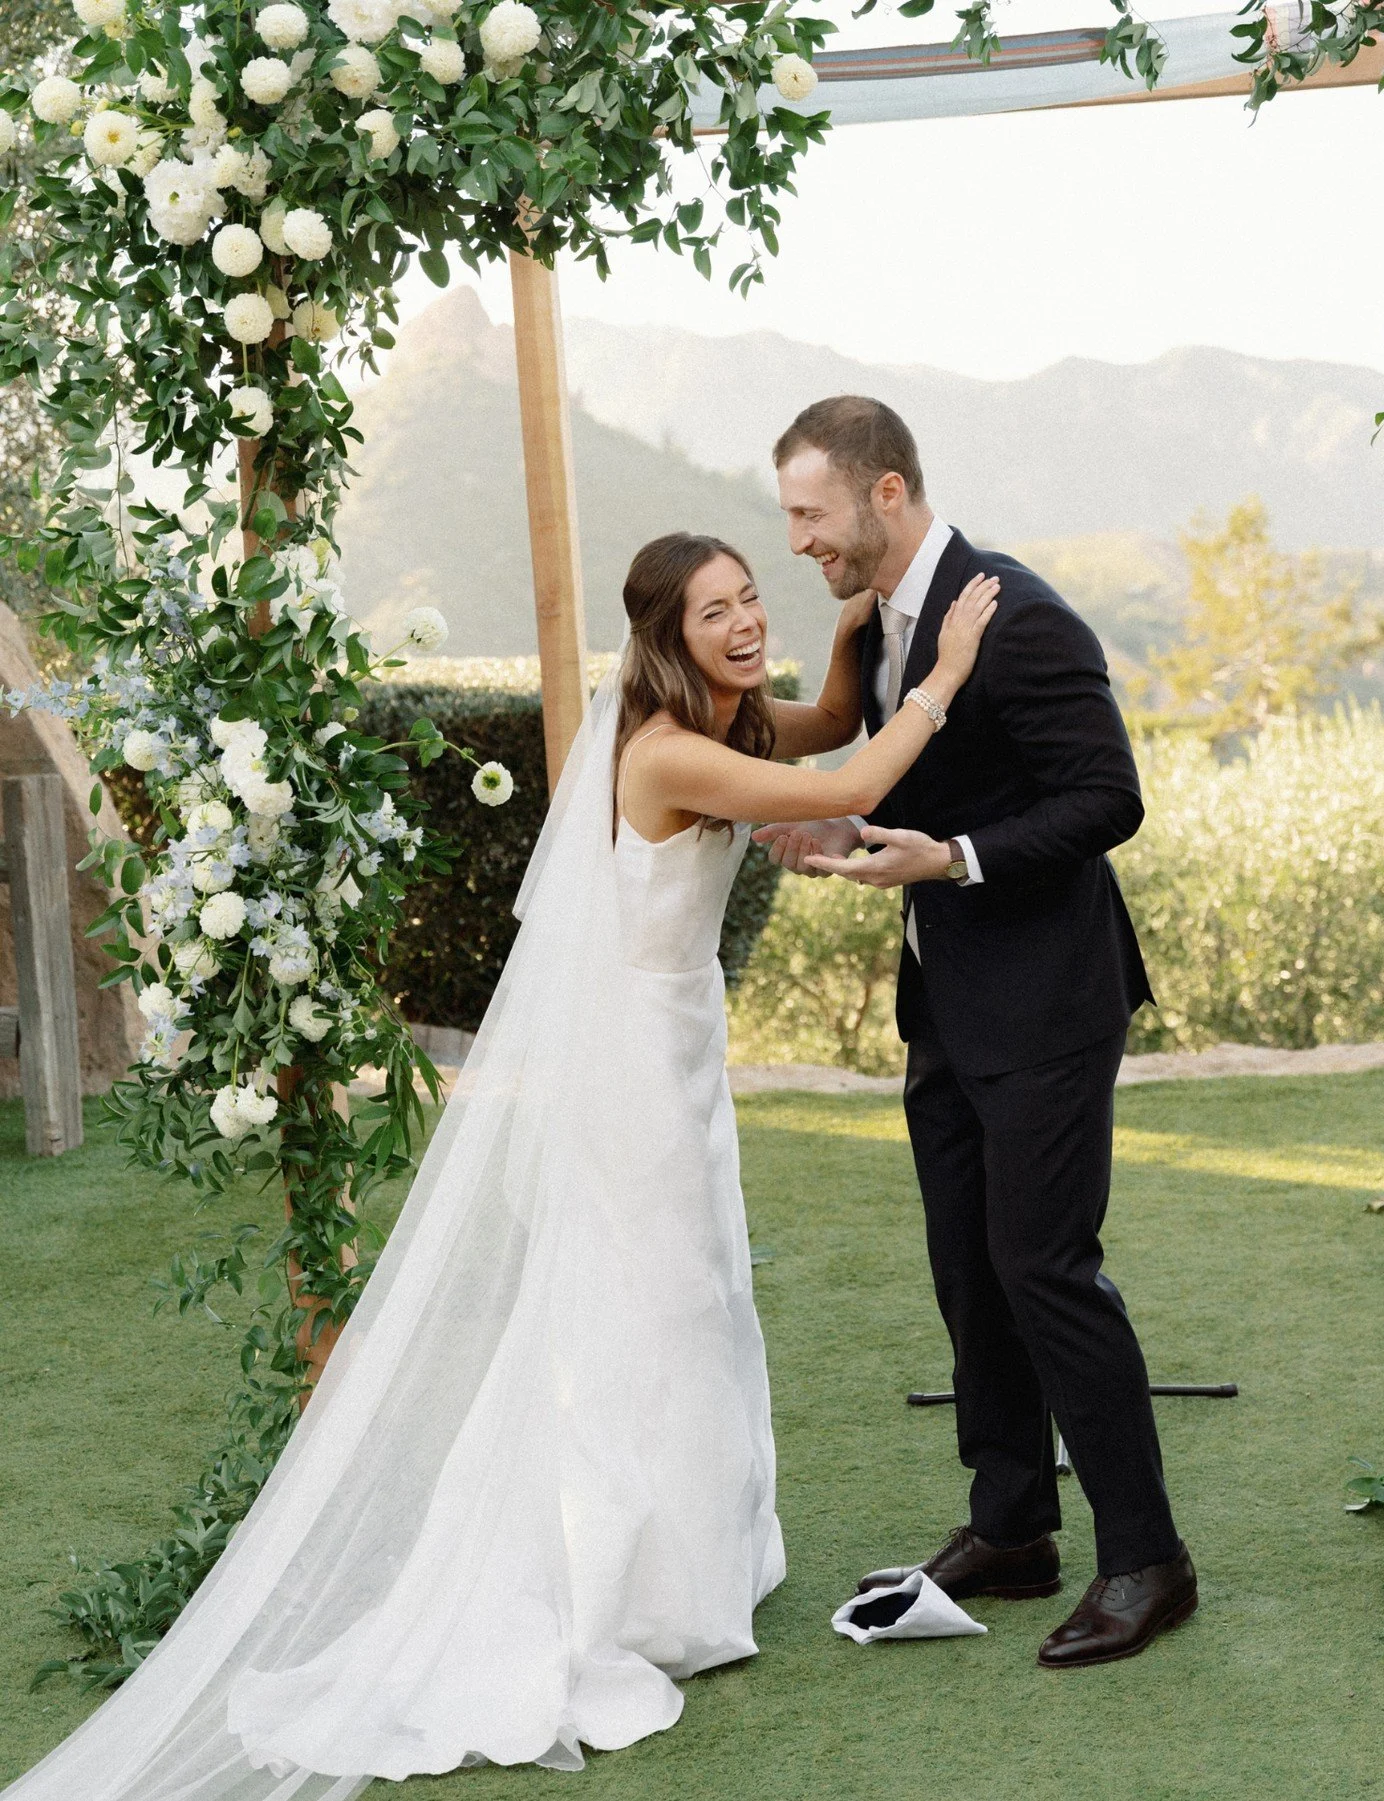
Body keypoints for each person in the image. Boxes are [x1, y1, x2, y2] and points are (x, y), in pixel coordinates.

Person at [1, 533, 994, 1801]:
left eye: (752, 599)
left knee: (694, 1298)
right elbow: (853, 766)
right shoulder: (666, 749)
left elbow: (826, 722)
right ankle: (622, 1590)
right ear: (664, 637)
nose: (744, 623)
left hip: (677, 1045)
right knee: (652, 1305)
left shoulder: (730, 719)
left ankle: (695, 1564)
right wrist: (945, 670)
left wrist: (856, 623)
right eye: (715, 612)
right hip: (631, 1065)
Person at [756, 396, 1198, 1670]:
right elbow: (937, 781)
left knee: (1045, 1266)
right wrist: (848, 833)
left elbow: (1108, 798)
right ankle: (1011, 1526)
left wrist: (950, 857)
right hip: (947, 1002)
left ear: (886, 493)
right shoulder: (885, 621)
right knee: (969, 1266)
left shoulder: (1022, 613)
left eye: (811, 513)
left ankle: (1148, 1559)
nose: (798, 540)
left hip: (1051, 1005)